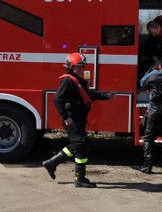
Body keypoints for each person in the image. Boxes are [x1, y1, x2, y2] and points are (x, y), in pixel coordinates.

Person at [42, 52, 115, 188]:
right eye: (78, 67)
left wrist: (106, 96)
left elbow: (90, 95)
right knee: (79, 144)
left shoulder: (79, 81)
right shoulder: (68, 81)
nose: (81, 69)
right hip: (72, 119)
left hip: (79, 118)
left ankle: (77, 177)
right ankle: (55, 165)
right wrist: (66, 117)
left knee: (81, 147)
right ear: (70, 66)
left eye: (82, 67)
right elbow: (58, 99)